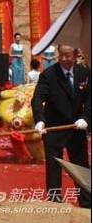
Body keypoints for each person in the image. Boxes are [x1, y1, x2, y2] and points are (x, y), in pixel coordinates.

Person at [31, 44, 91, 208]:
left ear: (75, 55)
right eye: (61, 55)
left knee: (81, 167)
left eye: (68, 55)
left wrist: (86, 118)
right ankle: (54, 205)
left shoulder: (84, 72)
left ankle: (87, 205)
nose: (64, 59)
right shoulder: (49, 75)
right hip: (54, 128)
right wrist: (40, 120)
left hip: (76, 128)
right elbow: (37, 98)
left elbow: (90, 98)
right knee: (53, 168)